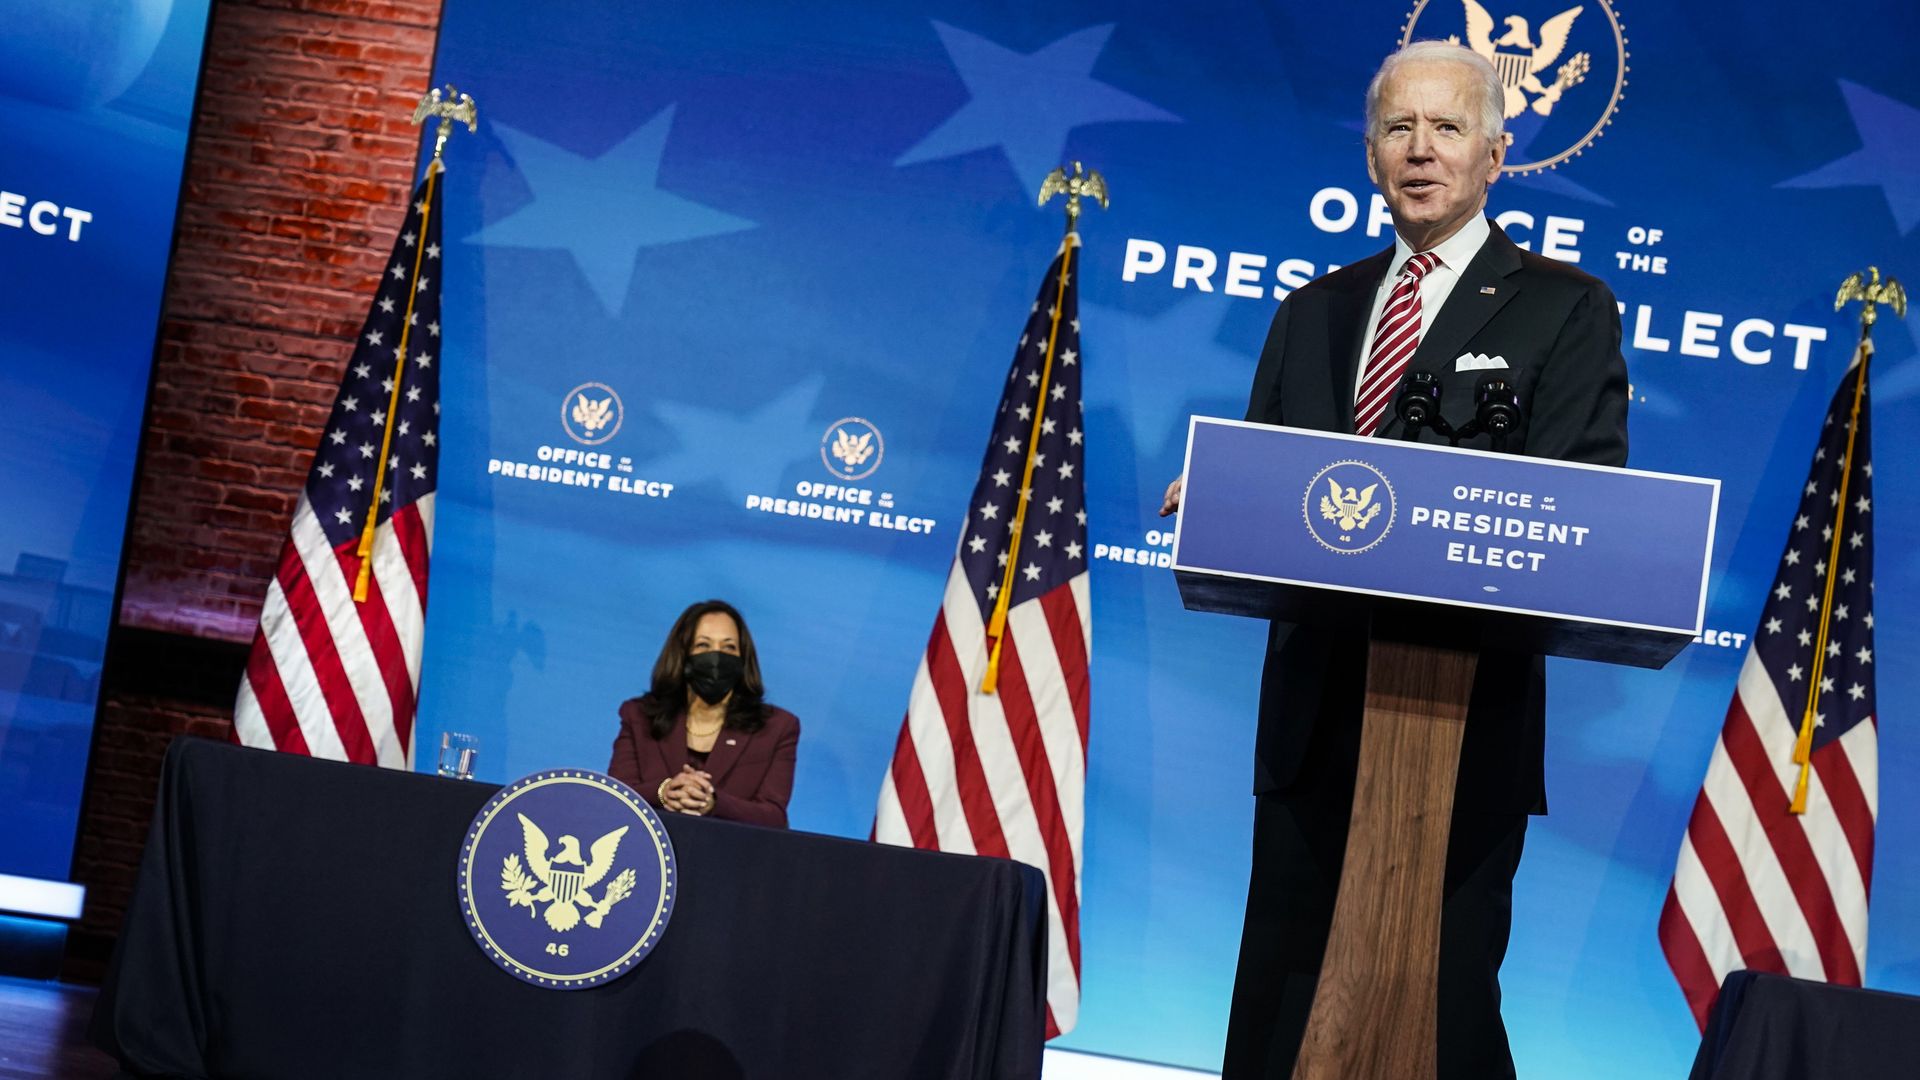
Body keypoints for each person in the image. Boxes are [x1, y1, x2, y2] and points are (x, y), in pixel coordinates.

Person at [1161, 40, 1628, 1080]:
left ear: (1495, 155)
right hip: (1313, 717)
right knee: (1281, 1004)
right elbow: (1285, 489)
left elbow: (1578, 508)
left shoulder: (1563, 307)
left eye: (1447, 128)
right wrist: (1236, 493)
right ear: (1371, 157)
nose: (1422, 151)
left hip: (1460, 724)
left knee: (1443, 1005)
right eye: (1398, 130)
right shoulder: (1312, 311)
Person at [608, 599, 800, 828]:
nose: (716, 658)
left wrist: (713, 803)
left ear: (742, 658)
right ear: (683, 654)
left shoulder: (777, 727)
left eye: (729, 647)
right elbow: (615, 797)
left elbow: (773, 816)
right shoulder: (638, 716)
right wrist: (664, 792)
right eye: (703, 646)